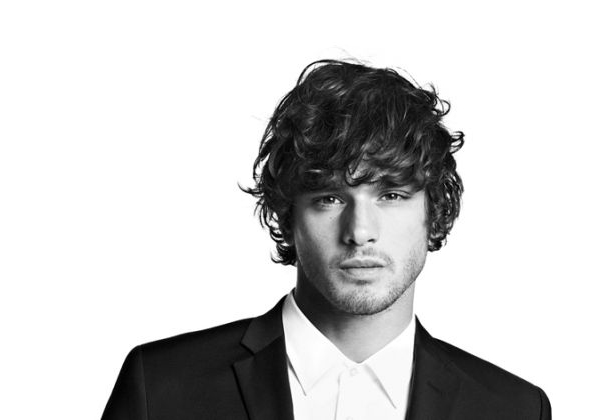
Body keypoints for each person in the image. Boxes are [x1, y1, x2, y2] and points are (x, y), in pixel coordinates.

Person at [102, 59, 551, 420]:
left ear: (434, 212)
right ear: (287, 214)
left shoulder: (512, 409)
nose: (360, 232)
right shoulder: (161, 387)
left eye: (392, 195)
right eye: (330, 198)